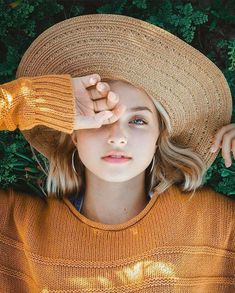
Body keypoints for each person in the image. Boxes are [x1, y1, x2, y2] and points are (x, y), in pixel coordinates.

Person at [0, 13, 234, 292]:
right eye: (101, 116)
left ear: (159, 137)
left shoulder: (215, 225)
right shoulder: (17, 227)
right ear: (73, 133)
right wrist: (35, 102)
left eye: (138, 121)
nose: (118, 137)